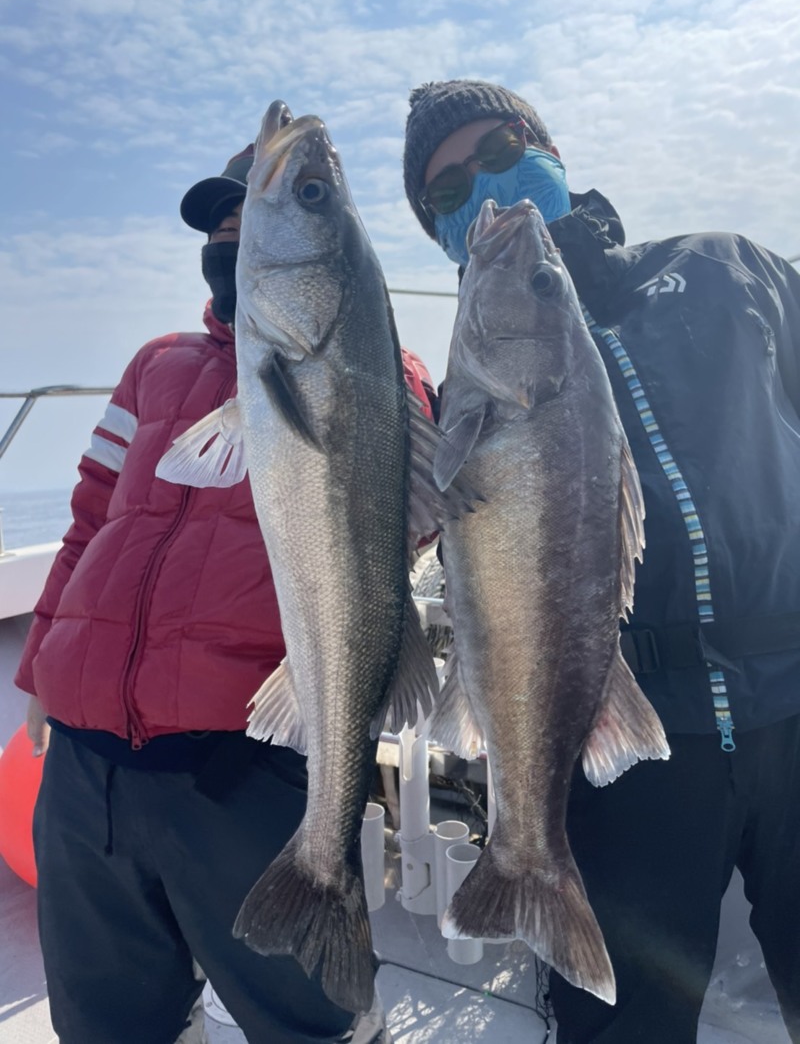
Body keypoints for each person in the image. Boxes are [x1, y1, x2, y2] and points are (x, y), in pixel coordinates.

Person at [402, 79, 800, 1044]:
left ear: (546, 148)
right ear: (443, 237)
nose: (484, 190)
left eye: (500, 153)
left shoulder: (723, 267)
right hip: (621, 742)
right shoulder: (463, 400)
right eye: (448, 193)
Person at [17, 144, 437, 1044]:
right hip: (87, 760)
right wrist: (42, 662)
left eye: (260, 212)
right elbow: (90, 520)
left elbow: (404, 527)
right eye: (223, 221)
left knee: (308, 1022)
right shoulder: (155, 364)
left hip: (243, 758)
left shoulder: (376, 370)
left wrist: (346, 360)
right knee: (107, 1023)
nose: (233, 232)